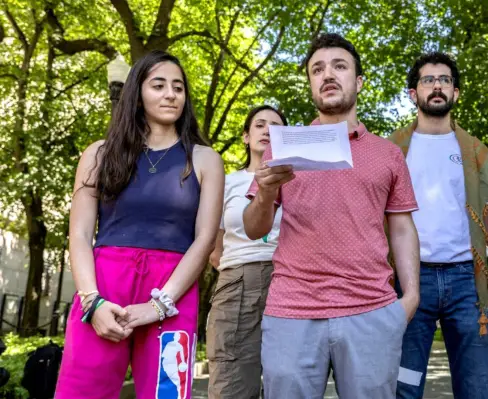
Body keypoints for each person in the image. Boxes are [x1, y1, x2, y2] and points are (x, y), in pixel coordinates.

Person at [243, 33, 420, 399]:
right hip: (292, 310)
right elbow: (253, 228)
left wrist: (411, 298)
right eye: (317, 69)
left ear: (358, 81)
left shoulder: (388, 154)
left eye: (339, 66)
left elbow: (402, 229)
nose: (328, 75)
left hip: (371, 310)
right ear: (310, 83)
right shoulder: (283, 144)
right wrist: (266, 192)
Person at [55, 50, 224, 399]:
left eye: (178, 87)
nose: (171, 94)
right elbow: (81, 234)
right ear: (138, 92)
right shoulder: (99, 154)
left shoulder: (205, 159)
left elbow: (205, 238)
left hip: (172, 291)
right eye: (158, 85)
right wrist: (92, 302)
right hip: (103, 286)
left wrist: (159, 305)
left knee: (166, 394)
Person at [389, 52, 488, 399]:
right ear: (413, 94)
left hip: (466, 284)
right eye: (428, 80)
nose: (437, 86)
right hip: (408, 282)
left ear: (455, 93)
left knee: (475, 389)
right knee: (403, 388)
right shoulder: (391, 150)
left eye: (445, 80)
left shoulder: (476, 152)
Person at [206, 105, 287, 399]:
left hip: (290, 283)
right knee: (232, 384)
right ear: (245, 136)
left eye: (276, 127)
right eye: (260, 125)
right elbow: (213, 247)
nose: (267, 131)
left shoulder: (297, 181)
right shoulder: (226, 182)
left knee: (289, 383)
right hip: (238, 283)